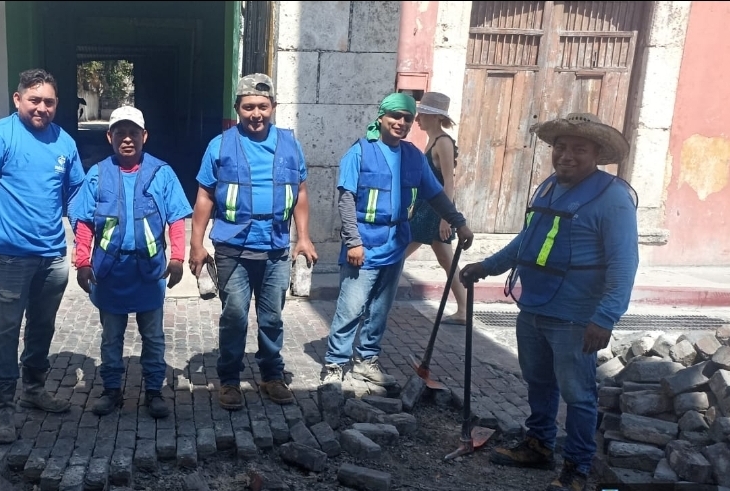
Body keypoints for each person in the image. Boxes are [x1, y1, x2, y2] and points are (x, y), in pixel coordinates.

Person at [461, 113, 638, 491]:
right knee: (538, 380)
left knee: (578, 395)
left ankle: (577, 468)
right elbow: (527, 240)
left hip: (575, 317)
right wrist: (487, 267)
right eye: (560, 146)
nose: (566, 155)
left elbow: (624, 263)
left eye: (579, 148)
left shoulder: (613, 198)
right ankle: (539, 445)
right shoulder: (548, 187)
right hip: (534, 306)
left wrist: (605, 317)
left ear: (597, 154)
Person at [321, 92, 473, 387]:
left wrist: (458, 222)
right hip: (364, 245)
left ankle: (366, 360)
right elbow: (346, 200)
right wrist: (353, 241)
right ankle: (335, 365)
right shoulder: (360, 152)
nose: (401, 122)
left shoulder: (413, 156)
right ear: (381, 117)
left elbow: (436, 194)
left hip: (395, 244)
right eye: (395, 116)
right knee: (351, 309)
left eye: (407, 118)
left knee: (380, 310)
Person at [0, 69, 86, 443]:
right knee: (5, 331)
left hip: (52, 256)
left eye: (48, 102)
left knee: (42, 326)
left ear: (57, 104)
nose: (41, 108)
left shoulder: (64, 142)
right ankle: (3, 408)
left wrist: (84, 239)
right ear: (17, 99)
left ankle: (33, 389)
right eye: (34, 100)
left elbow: (75, 193)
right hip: (9, 257)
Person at [189, 73, 318, 411]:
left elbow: (301, 192)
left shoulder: (290, 144)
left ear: (273, 106)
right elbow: (204, 196)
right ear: (237, 109)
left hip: (275, 247)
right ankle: (230, 380)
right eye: (248, 107)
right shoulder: (219, 146)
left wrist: (303, 238)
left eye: (262, 106)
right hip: (232, 248)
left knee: (272, 317)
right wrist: (196, 244)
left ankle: (272, 375)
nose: (256, 114)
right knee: (234, 316)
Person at [72, 106, 191, 419]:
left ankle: (153, 391)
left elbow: (177, 218)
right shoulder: (97, 174)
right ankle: (111, 390)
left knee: (153, 337)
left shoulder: (162, 173)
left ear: (144, 136)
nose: (127, 139)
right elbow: (84, 222)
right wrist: (82, 261)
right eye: (120, 133)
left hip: (149, 273)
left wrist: (177, 258)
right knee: (111, 338)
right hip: (109, 272)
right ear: (109, 137)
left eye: (133, 133)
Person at [404, 92, 468, 324]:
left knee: (399, 252)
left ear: (434, 116)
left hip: (435, 210)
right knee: (445, 260)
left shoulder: (443, 142)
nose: (417, 119)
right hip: (426, 208)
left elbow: (449, 182)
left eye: (422, 114)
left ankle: (464, 310)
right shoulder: (432, 140)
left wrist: (445, 218)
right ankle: (463, 310)